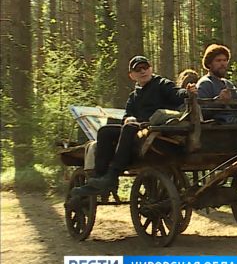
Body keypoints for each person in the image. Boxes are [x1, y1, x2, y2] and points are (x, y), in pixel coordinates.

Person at [71, 56, 197, 197]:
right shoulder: (133, 96)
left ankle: (112, 175)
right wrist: (128, 119)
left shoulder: (162, 84)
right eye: (138, 69)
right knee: (105, 131)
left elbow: (176, 93)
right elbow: (126, 116)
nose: (143, 71)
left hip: (157, 130)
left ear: (151, 69)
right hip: (136, 130)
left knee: (129, 128)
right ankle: (100, 178)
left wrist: (187, 92)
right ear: (132, 75)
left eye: (145, 67)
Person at [196, 44, 237, 123]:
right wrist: (218, 101)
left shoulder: (228, 84)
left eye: (225, 60)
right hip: (218, 129)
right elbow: (201, 112)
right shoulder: (205, 83)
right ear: (209, 64)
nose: (222, 64)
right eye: (218, 60)